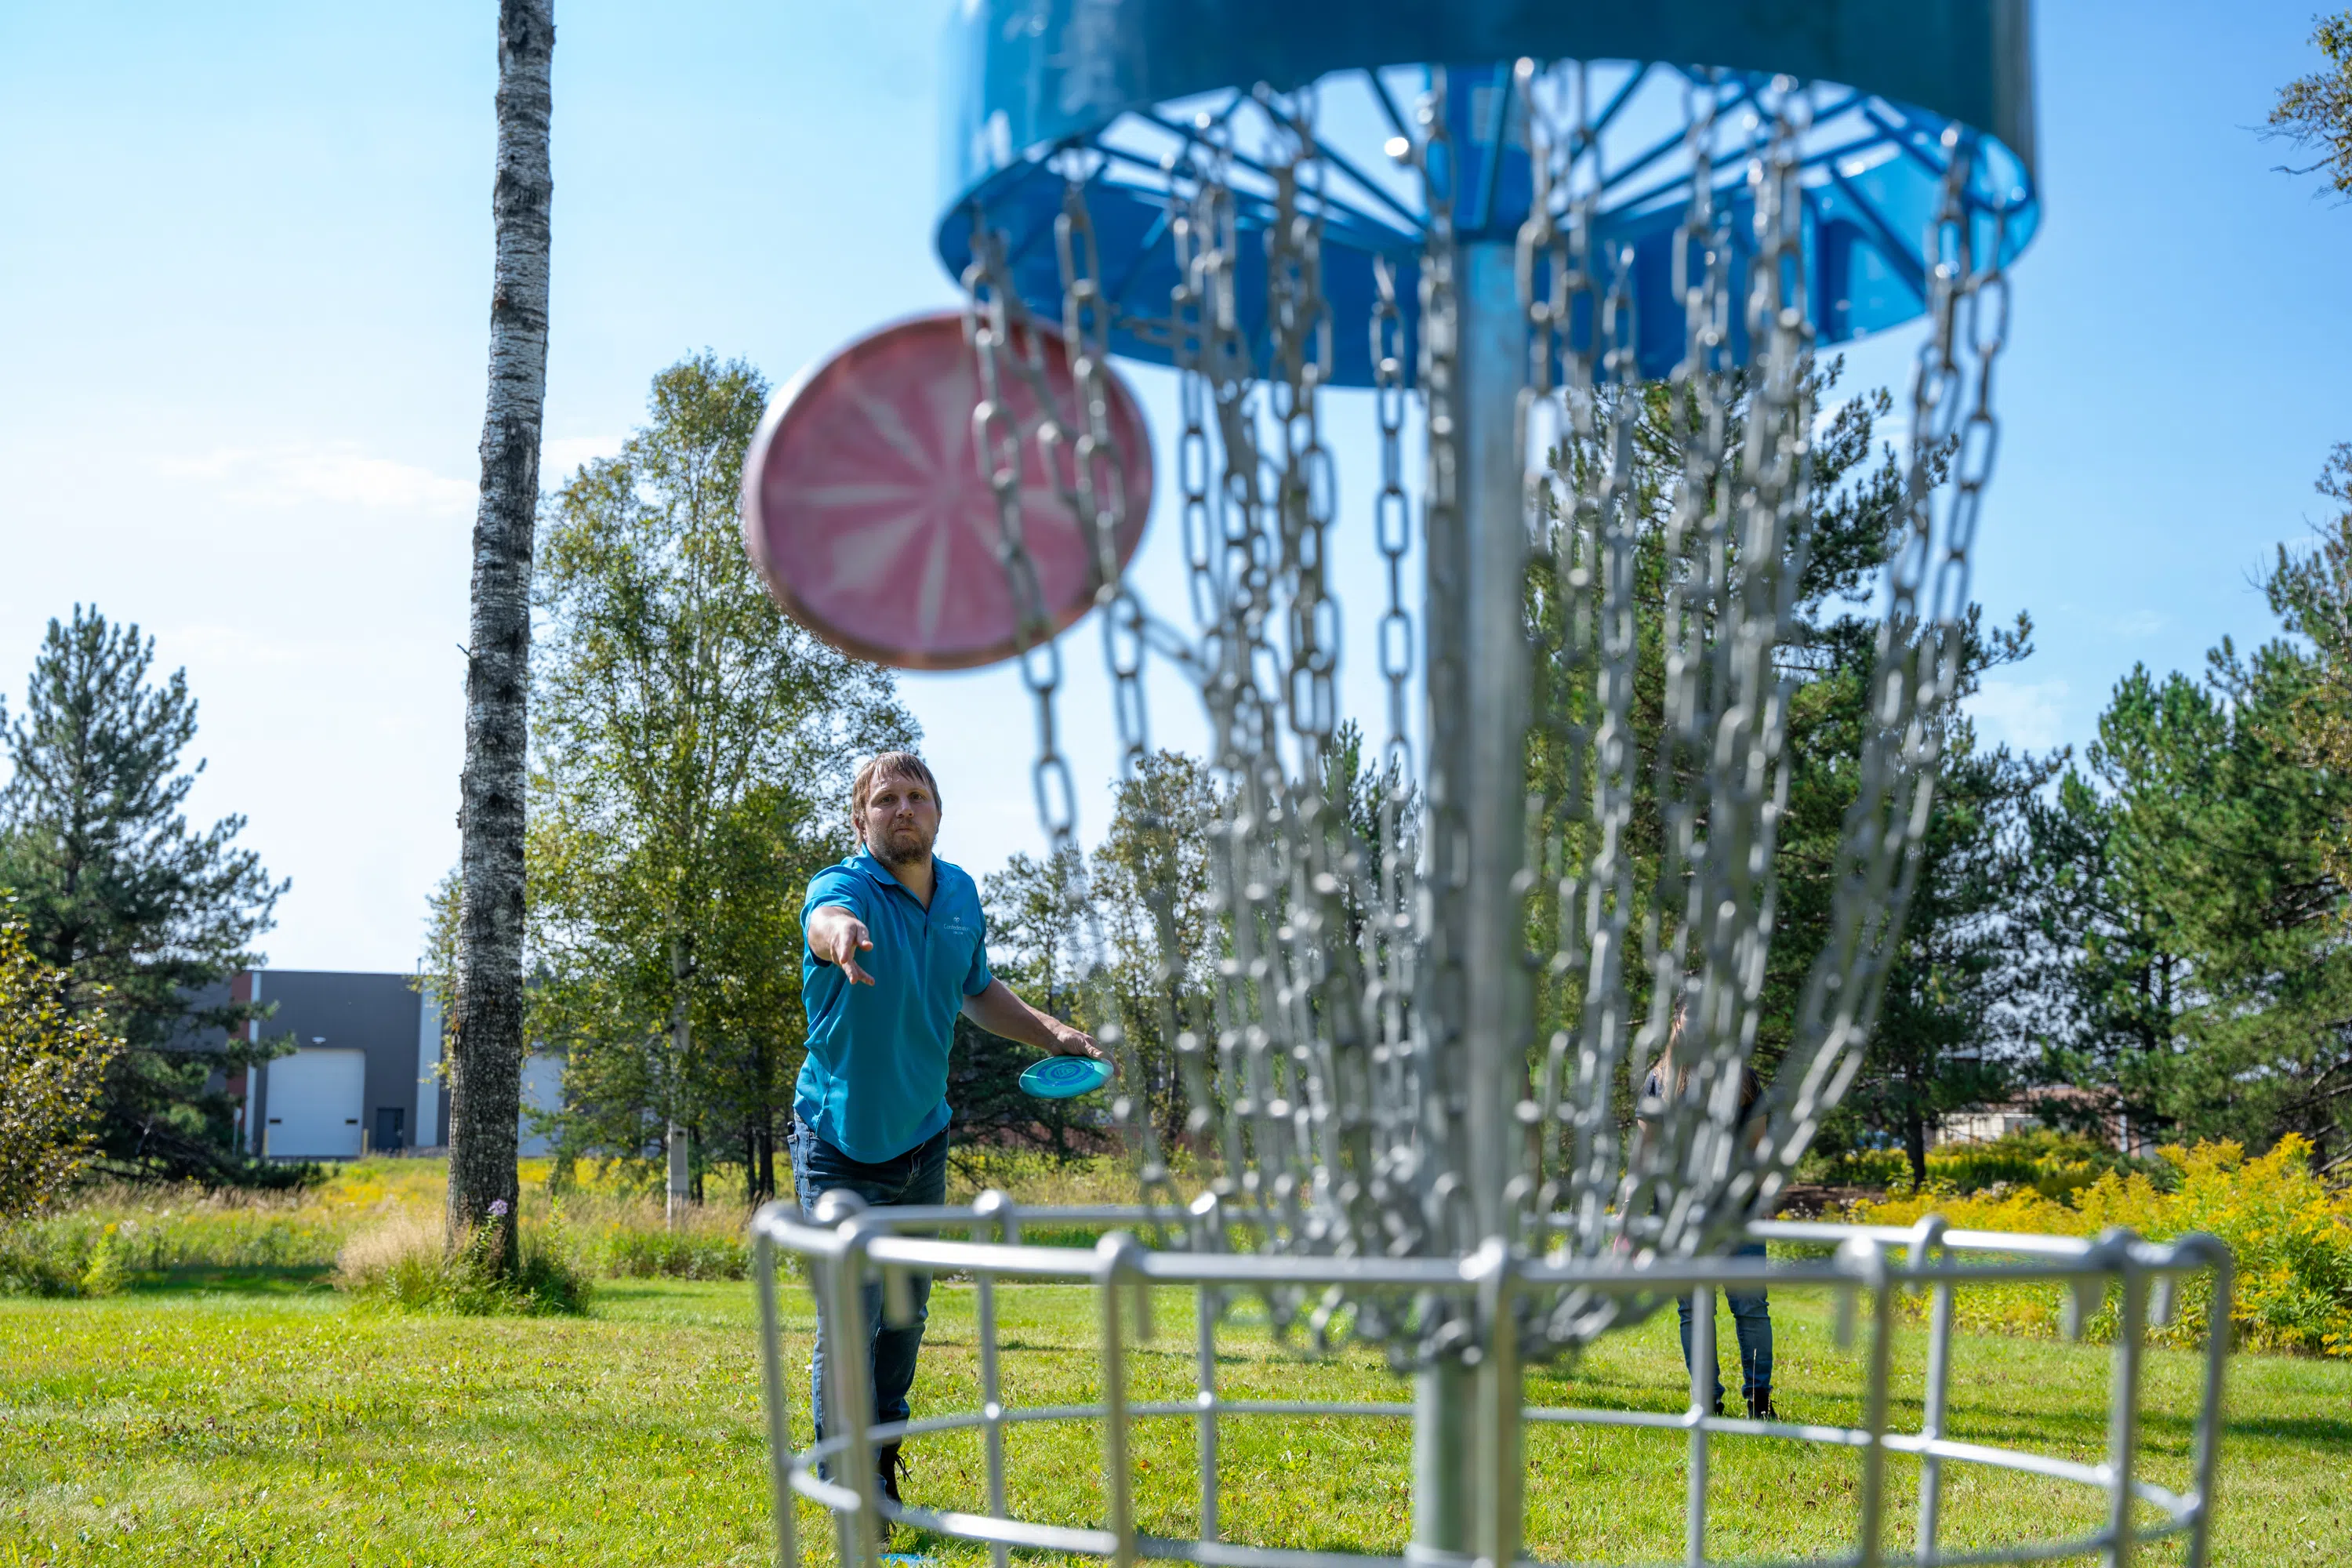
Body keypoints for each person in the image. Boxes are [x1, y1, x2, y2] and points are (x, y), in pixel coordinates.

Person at [794, 750, 1104, 1506]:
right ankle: (848, 1501)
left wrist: (1053, 1030)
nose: (904, 809)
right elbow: (822, 921)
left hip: (922, 1140)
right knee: (852, 1323)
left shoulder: (961, 891)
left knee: (902, 1322)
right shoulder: (843, 888)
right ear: (860, 818)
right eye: (886, 799)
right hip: (841, 1144)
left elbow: (978, 989)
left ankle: (879, 1478)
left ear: (937, 810)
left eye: (917, 796)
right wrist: (838, 939)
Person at [1635, 1008, 1777, 1421]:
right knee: (1694, 1310)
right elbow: (1645, 1153)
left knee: (1750, 1307)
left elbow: (1758, 1149)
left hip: (1739, 1213)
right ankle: (1707, 1402)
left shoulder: (1744, 1078)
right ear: (1676, 1026)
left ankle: (1760, 1400)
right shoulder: (1659, 1080)